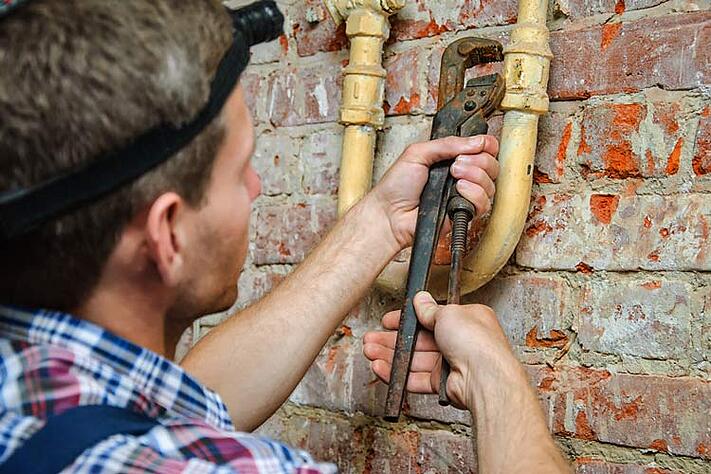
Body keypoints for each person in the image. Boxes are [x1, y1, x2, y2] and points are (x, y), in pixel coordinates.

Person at [0, 0, 569, 472]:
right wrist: (497, 378)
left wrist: (378, 221)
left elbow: (190, 400)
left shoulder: (32, 388)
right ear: (165, 232)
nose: (253, 186)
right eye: (240, 168)